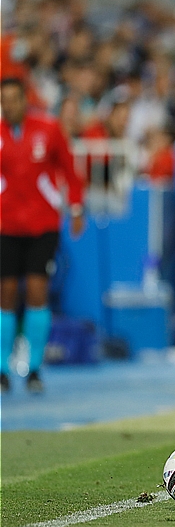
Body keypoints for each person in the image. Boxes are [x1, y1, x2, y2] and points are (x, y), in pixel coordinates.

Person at [0, 77, 85, 393]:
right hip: (5, 226)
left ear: (24, 100)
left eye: (13, 99)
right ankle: (2, 369)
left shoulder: (48, 130)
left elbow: (69, 170)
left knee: (37, 292)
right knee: (5, 295)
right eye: (3, 100)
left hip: (42, 225)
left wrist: (76, 208)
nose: (9, 106)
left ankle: (34, 368)